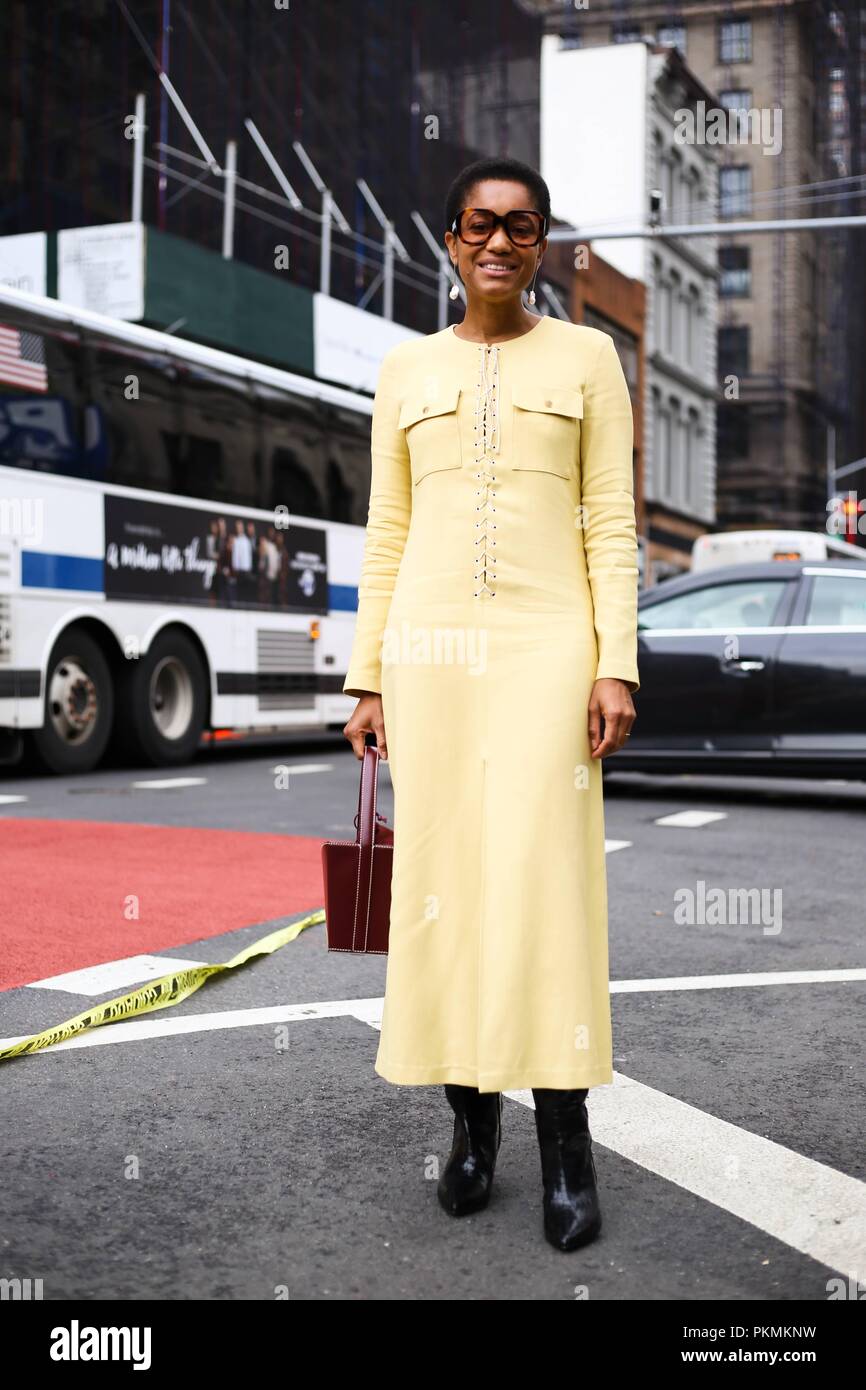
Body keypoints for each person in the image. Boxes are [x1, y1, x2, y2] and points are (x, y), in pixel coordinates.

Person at [341, 157, 639, 1253]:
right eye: (480, 225)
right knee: (442, 886)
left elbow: (609, 521)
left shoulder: (588, 357)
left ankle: (566, 1137)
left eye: (522, 226)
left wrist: (615, 664)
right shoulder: (404, 367)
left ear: (542, 241)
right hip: (425, 650)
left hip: (549, 648)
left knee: (543, 886)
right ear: (453, 241)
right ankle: (470, 1127)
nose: (501, 243)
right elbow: (385, 530)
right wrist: (368, 673)